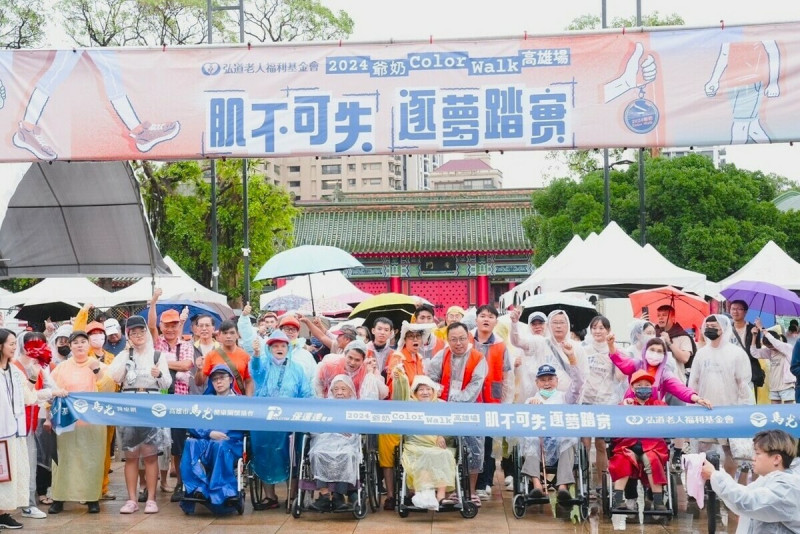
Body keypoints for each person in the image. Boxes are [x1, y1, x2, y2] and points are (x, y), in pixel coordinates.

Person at [107, 315, 172, 514]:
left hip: (151, 406)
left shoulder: (158, 356)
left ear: (146, 332)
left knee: (150, 455)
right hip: (129, 406)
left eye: (140, 331)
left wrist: (159, 375)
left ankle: (151, 499)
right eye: (133, 333)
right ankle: (132, 499)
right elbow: (115, 377)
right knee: (131, 455)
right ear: (128, 336)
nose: (138, 336)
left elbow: (167, 384)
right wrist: (126, 356)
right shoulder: (125, 354)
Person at [0, 329, 61, 529]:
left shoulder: (15, 371)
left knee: (10, 472)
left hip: (13, 430)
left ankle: (3, 513)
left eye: (13, 343)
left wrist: (39, 383)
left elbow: (29, 396)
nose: (13, 347)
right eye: (10, 343)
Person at [48, 330, 112, 515]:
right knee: (63, 460)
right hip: (66, 421)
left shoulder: (98, 365)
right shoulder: (62, 367)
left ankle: (92, 498)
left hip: (92, 422)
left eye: (83, 341)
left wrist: (97, 370)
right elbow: (51, 389)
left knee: (92, 460)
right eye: (75, 342)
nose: (80, 345)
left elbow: (107, 388)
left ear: (89, 344)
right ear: (70, 345)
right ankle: (59, 498)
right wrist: (48, 413)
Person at [427, 322, 488, 508]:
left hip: (470, 411)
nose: (458, 343)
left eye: (462, 338)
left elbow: (475, 387)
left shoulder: (478, 358)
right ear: (448, 340)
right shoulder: (442, 355)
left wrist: (457, 402)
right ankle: (449, 491)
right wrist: (439, 396)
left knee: (474, 449)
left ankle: (470, 491)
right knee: (442, 447)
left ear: (468, 337)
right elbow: (431, 378)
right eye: (454, 339)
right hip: (443, 410)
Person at [248, 330, 312, 509]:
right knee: (265, 454)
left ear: (288, 348)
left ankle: (292, 496)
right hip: (265, 421)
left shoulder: (297, 368)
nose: (279, 348)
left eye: (283, 345)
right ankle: (270, 496)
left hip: (290, 421)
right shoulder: (264, 365)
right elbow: (255, 371)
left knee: (291, 456)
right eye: (275, 345)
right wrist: (257, 354)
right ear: (269, 348)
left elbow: (305, 392)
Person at [378, 321, 434, 509]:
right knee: (388, 451)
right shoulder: (398, 356)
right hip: (394, 412)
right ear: (404, 339)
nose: (415, 339)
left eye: (418, 336)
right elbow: (395, 375)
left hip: (416, 413)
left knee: (415, 448)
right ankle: (392, 495)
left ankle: (412, 491)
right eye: (411, 337)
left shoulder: (420, 359)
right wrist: (397, 373)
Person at [689, 314, 752, 478]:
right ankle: (703, 487)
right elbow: (693, 382)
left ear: (723, 328)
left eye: (714, 326)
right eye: (707, 326)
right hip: (704, 410)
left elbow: (743, 383)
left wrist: (744, 409)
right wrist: (692, 405)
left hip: (730, 411)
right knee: (702, 451)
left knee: (729, 451)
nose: (709, 329)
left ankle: (728, 485)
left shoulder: (737, 353)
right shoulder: (701, 354)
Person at [701, 429, 800, 534]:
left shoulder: (788, 487)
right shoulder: (768, 478)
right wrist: (716, 472)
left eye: (758, 453)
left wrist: (715, 475)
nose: (753, 458)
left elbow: (746, 502)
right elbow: (741, 495)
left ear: (776, 459)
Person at [179, 365, 244, 515]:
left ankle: (223, 492)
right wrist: (209, 432)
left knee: (220, 445)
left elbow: (244, 427)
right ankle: (197, 488)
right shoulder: (205, 402)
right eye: (214, 379)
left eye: (222, 378)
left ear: (230, 380)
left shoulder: (241, 402)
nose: (218, 382)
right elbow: (193, 424)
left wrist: (222, 434)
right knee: (190, 442)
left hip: (230, 443)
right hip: (207, 440)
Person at [519, 362, 584, 504]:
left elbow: (578, 385)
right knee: (531, 440)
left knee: (568, 439)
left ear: (556, 381)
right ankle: (537, 486)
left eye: (550, 379)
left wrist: (572, 359)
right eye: (543, 380)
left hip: (558, 441)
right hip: (539, 443)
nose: (546, 383)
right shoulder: (530, 400)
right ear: (537, 383)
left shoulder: (564, 398)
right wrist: (531, 407)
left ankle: (563, 487)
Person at [391, 372, 457, 511]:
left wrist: (442, 435)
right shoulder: (409, 405)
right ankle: (422, 493)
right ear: (414, 392)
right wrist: (398, 381)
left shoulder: (442, 405)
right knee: (423, 456)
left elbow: (452, 426)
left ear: (433, 391)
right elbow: (397, 398)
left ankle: (441, 496)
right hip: (414, 445)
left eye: (428, 389)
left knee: (443, 455)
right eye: (421, 389)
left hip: (437, 446)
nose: (425, 392)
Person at [608, 370, 670, 512]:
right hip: (628, 444)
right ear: (632, 387)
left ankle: (658, 501)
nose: (643, 387)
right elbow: (615, 426)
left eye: (647, 385)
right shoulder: (624, 405)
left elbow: (668, 423)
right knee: (623, 459)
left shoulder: (658, 405)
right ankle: (618, 499)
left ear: (652, 388)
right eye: (639, 385)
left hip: (652, 445)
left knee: (652, 459)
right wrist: (624, 406)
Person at [472, 305, 513, 501]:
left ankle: (485, 481)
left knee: (488, 440)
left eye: (490, 316)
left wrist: (506, 401)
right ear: (476, 320)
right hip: (470, 398)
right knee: (471, 439)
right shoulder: (467, 339)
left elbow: (507, 375)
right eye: (482, 316)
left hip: (492, 396)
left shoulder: (501, 344)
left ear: (496, 321)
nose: (486, 319)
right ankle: (470, 481)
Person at [307, 375, 363, 512]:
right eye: (336, 389)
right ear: (331, 391)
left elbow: (355, 433)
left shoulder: (356, 409)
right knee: (317, 453)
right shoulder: (324, 407)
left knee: (346, 455)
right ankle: (324, 495)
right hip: (325, 441)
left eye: (343, 389)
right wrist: (334, 428)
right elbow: (314, 430)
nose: (339, 392)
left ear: (350, 391)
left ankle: (339, 495)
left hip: (346, 444)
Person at [313, 340, 387, 400]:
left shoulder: (368, 369)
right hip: (332, 405)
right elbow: (317, 385)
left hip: (355, 409)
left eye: (357, 360)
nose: (352, 363)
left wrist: (371, 374)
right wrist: (321, 400)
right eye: (350, 358)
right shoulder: (330, 366)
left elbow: (383, 394)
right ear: (345, 354)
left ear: (363, 360)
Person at [196, 320, 253, 396]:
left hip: (238, 402)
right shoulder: (211, 355)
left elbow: (249, 381)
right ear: (219, 335)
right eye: (225, 333)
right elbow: (199, 383)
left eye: (232, 333)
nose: (228, 336)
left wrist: (248, 401)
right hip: (217, 402)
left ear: (238, 335)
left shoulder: (245, 356)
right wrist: (199, 370)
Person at [729, 300, 767, 398]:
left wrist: (756, 334)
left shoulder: (752, 328)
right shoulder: (726, 329)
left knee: (748, 398)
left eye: (739, 309)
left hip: (748, 369)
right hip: (730, 368)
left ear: (745, 312)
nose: (735, 312)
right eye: (733, 309)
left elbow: (756, 351)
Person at [751, 324, 795, 404]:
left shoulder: (787, 348)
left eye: (771, 346)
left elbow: (776, 343)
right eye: (768, 347)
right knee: (775, 411)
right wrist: (754, 336)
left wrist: (762, 329)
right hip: (774, 387)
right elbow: (754, 353)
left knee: (788, 410)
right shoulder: (770, 352)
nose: (771, 348)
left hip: (786, 386)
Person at [654, 305, 696, 382]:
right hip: (657, 381)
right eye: (658, 315)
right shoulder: (653, 334)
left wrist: (669, 342)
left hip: (677, 381)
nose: (661, 318)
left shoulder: (682, 336)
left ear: (673, 317)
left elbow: (684, 358)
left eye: (664, 315)